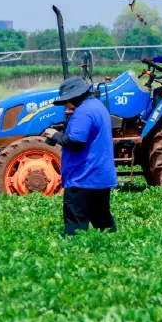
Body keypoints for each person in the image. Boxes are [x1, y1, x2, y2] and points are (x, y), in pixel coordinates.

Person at [44, 76, 117, 235]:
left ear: (74, 97)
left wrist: (55, 135)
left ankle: (73, 258)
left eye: (67, 101)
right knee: (103, 223)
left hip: (82, 178)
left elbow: (76, 142)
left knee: (75, 228)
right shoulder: (97, 106)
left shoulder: (83, 112)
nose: (67, 106)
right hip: (100, 177)